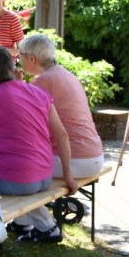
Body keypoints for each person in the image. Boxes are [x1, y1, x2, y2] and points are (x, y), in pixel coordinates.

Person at [0, 45, 77, 243]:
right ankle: (26, 224)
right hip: (45, 175)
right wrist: (68, 174)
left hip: (16, 181)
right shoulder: (38, 93)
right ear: (11, 66)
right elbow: (62, 135)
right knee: (16, 170)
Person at [21, 35, 104, 178]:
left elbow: (25, 123)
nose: (18, 60)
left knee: (5, 166)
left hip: (72, 161)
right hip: (95, 156)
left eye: (20, 55)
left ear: (32, 58)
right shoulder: (66, 74)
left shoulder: (42, 80)